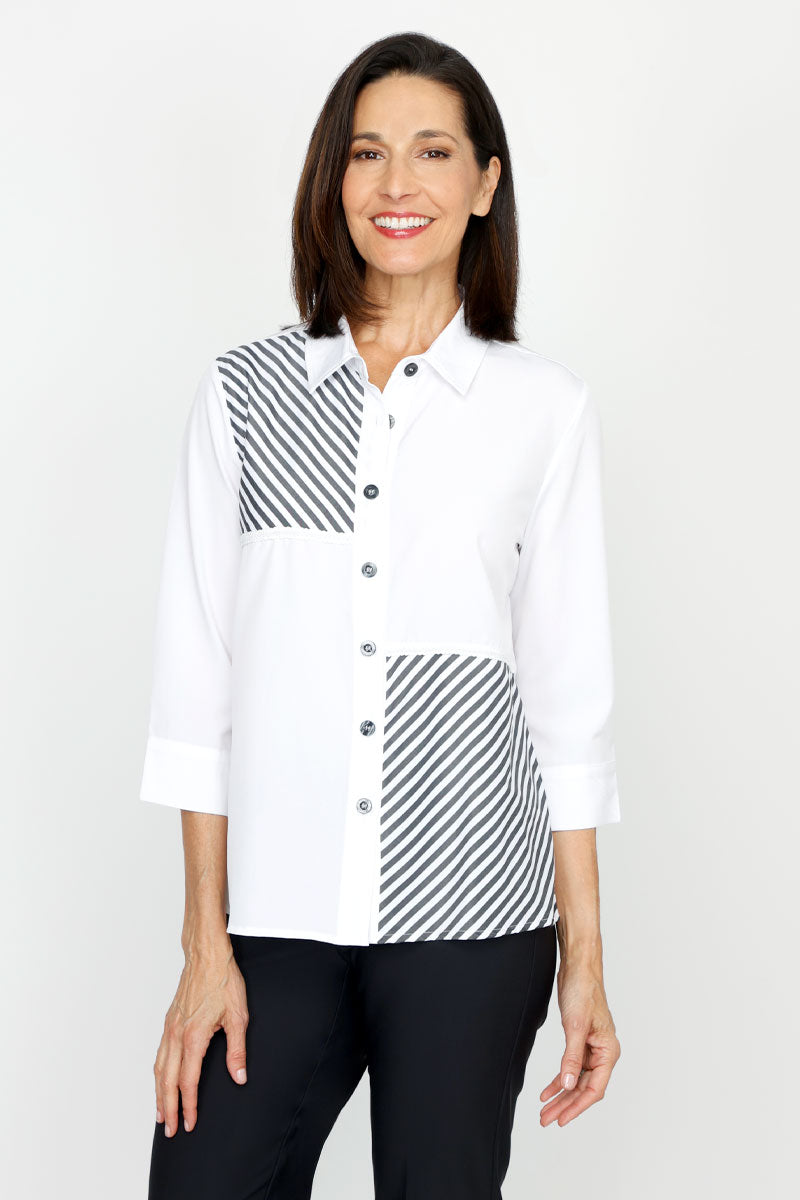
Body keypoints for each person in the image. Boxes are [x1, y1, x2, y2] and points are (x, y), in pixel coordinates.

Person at [140, 30, 623, 1200]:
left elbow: (564, 707)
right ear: (333, 178)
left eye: (432, 151)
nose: (396, 183)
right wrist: (205, 944)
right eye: (366, 153)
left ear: (484, 183)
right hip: (278, 909)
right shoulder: (245, 394)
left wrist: (585, 962)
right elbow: (197, 688)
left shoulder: (540, 410)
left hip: (474, 913)